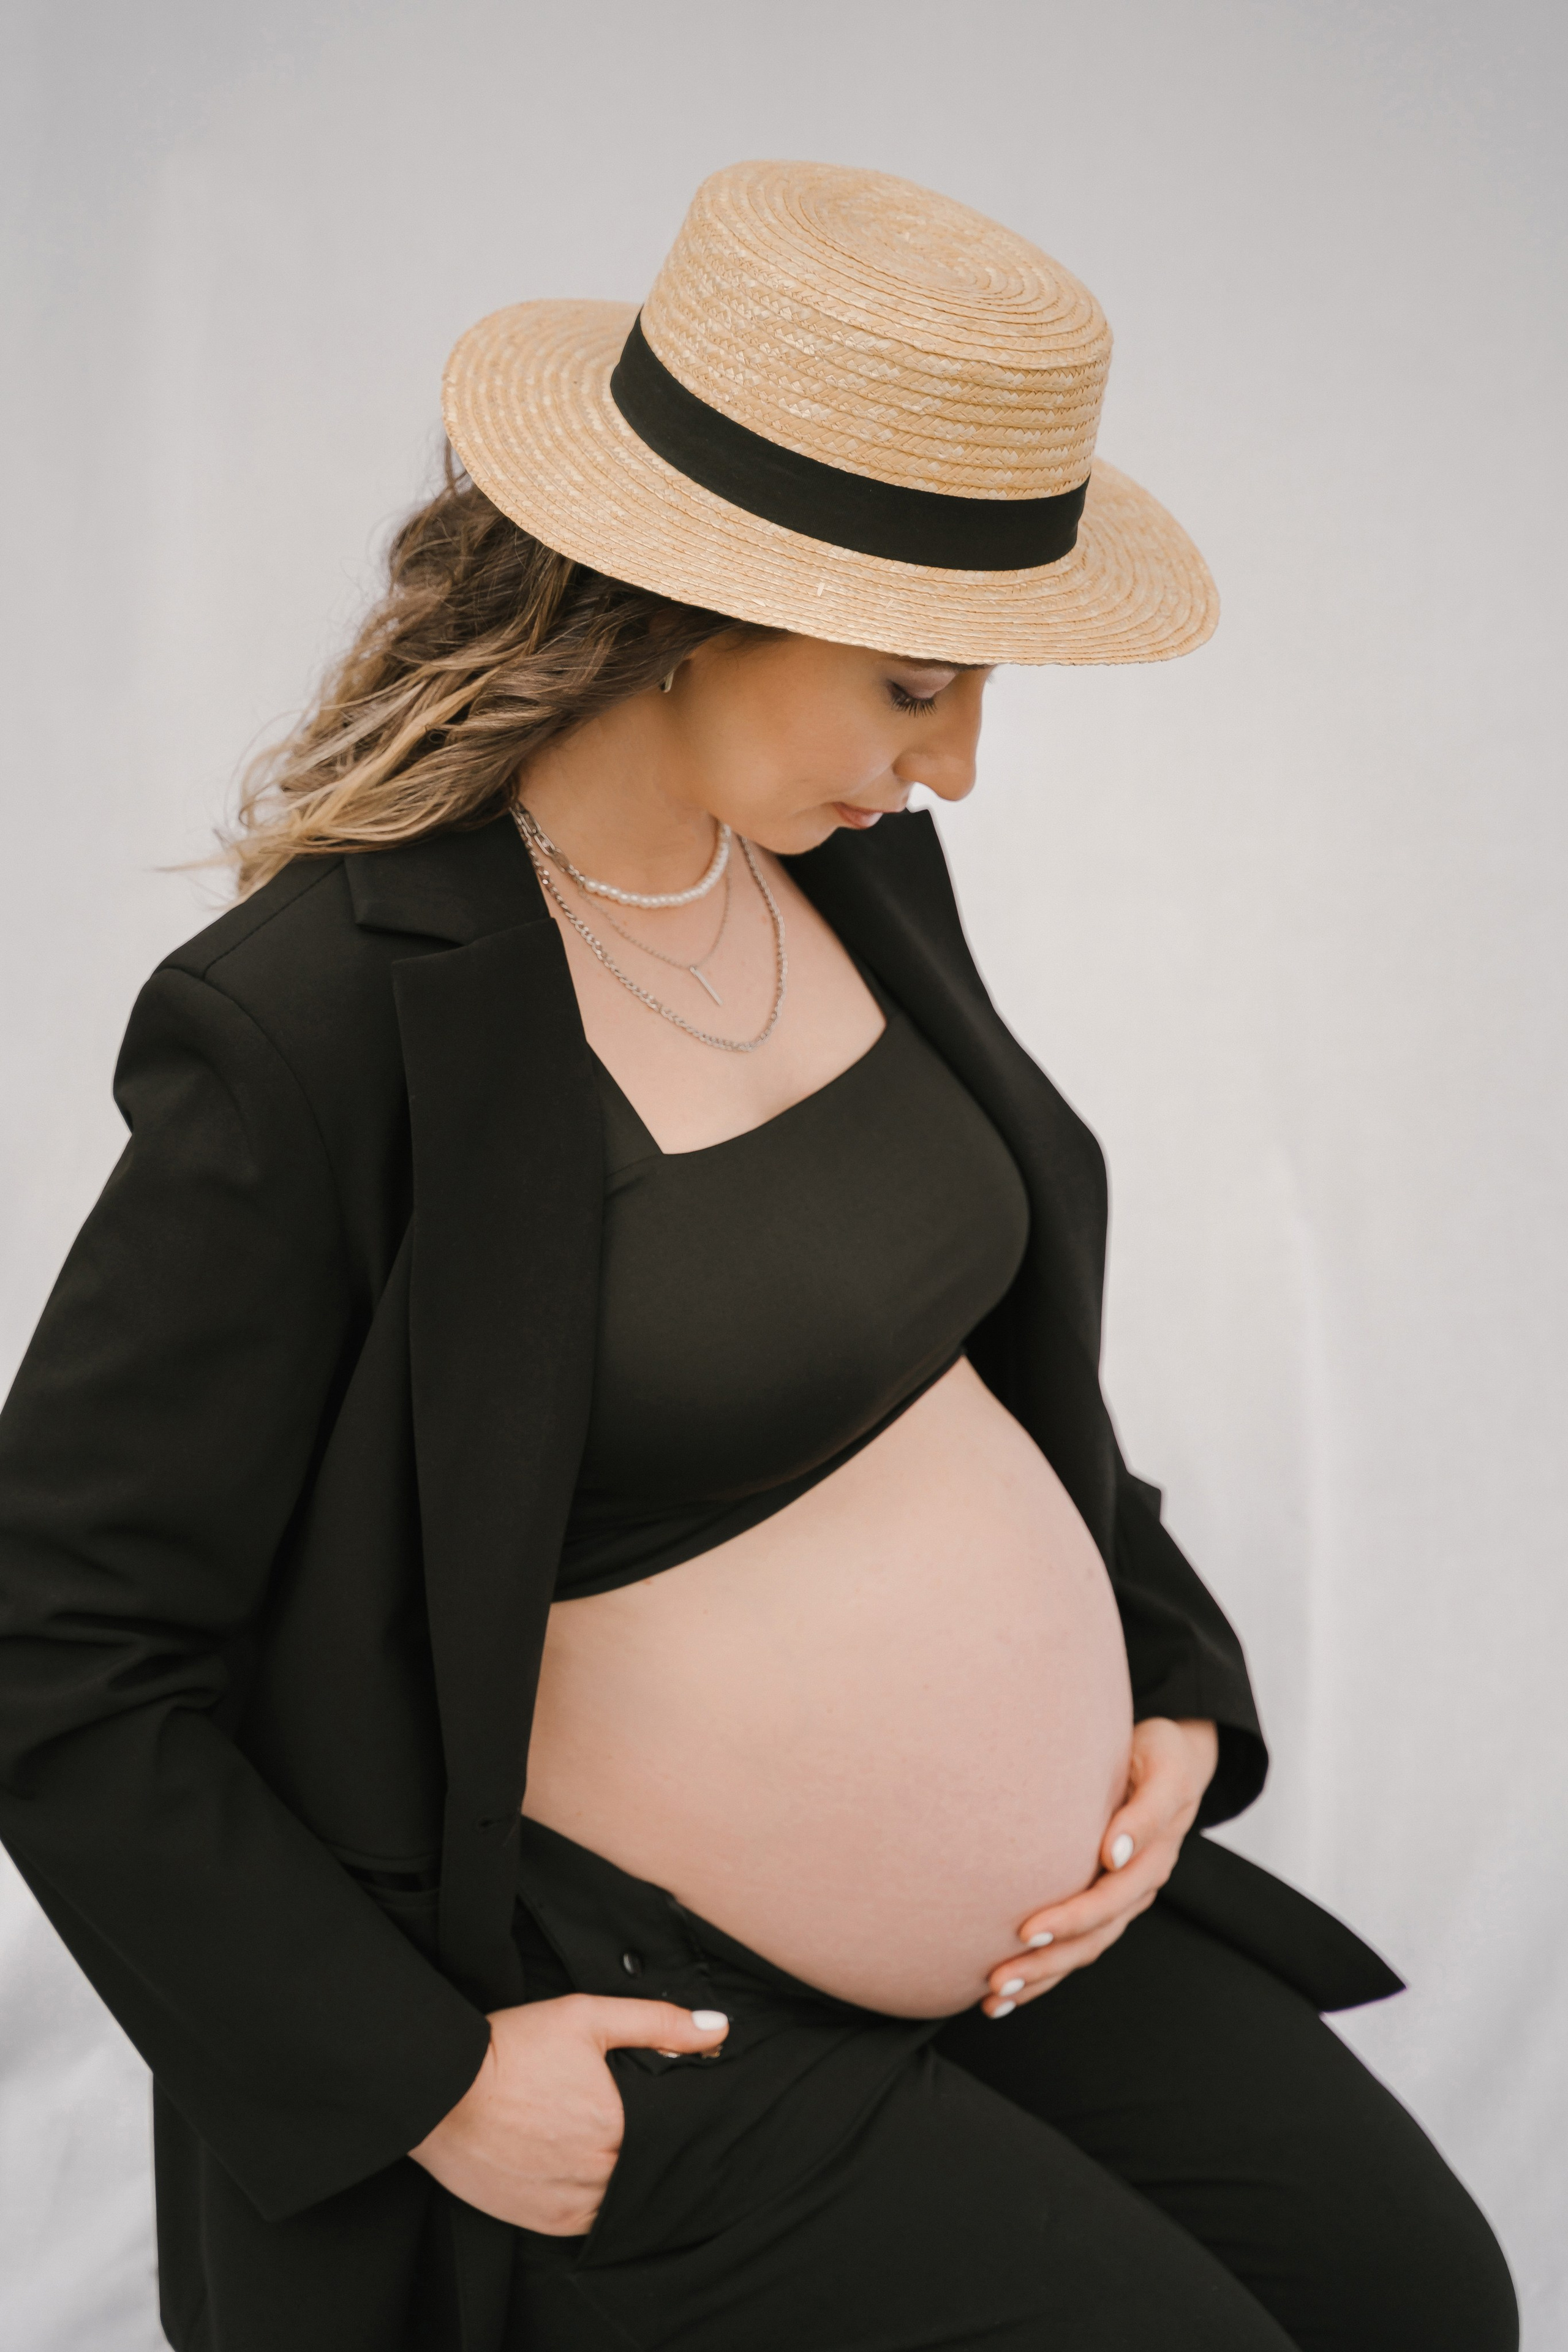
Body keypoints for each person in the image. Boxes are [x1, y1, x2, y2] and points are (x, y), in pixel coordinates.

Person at [0, 161, 1517, 2352]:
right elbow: (56, 1641)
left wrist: (1167, 1682)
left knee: (1421, 2302)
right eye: (915, 688)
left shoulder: (842, 877)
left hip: (1029, 1933)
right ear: (689, 600)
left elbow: (960, 1365)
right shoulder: (326, 1019)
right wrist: (424, 2084)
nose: (963, 768)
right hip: (624, 2000)